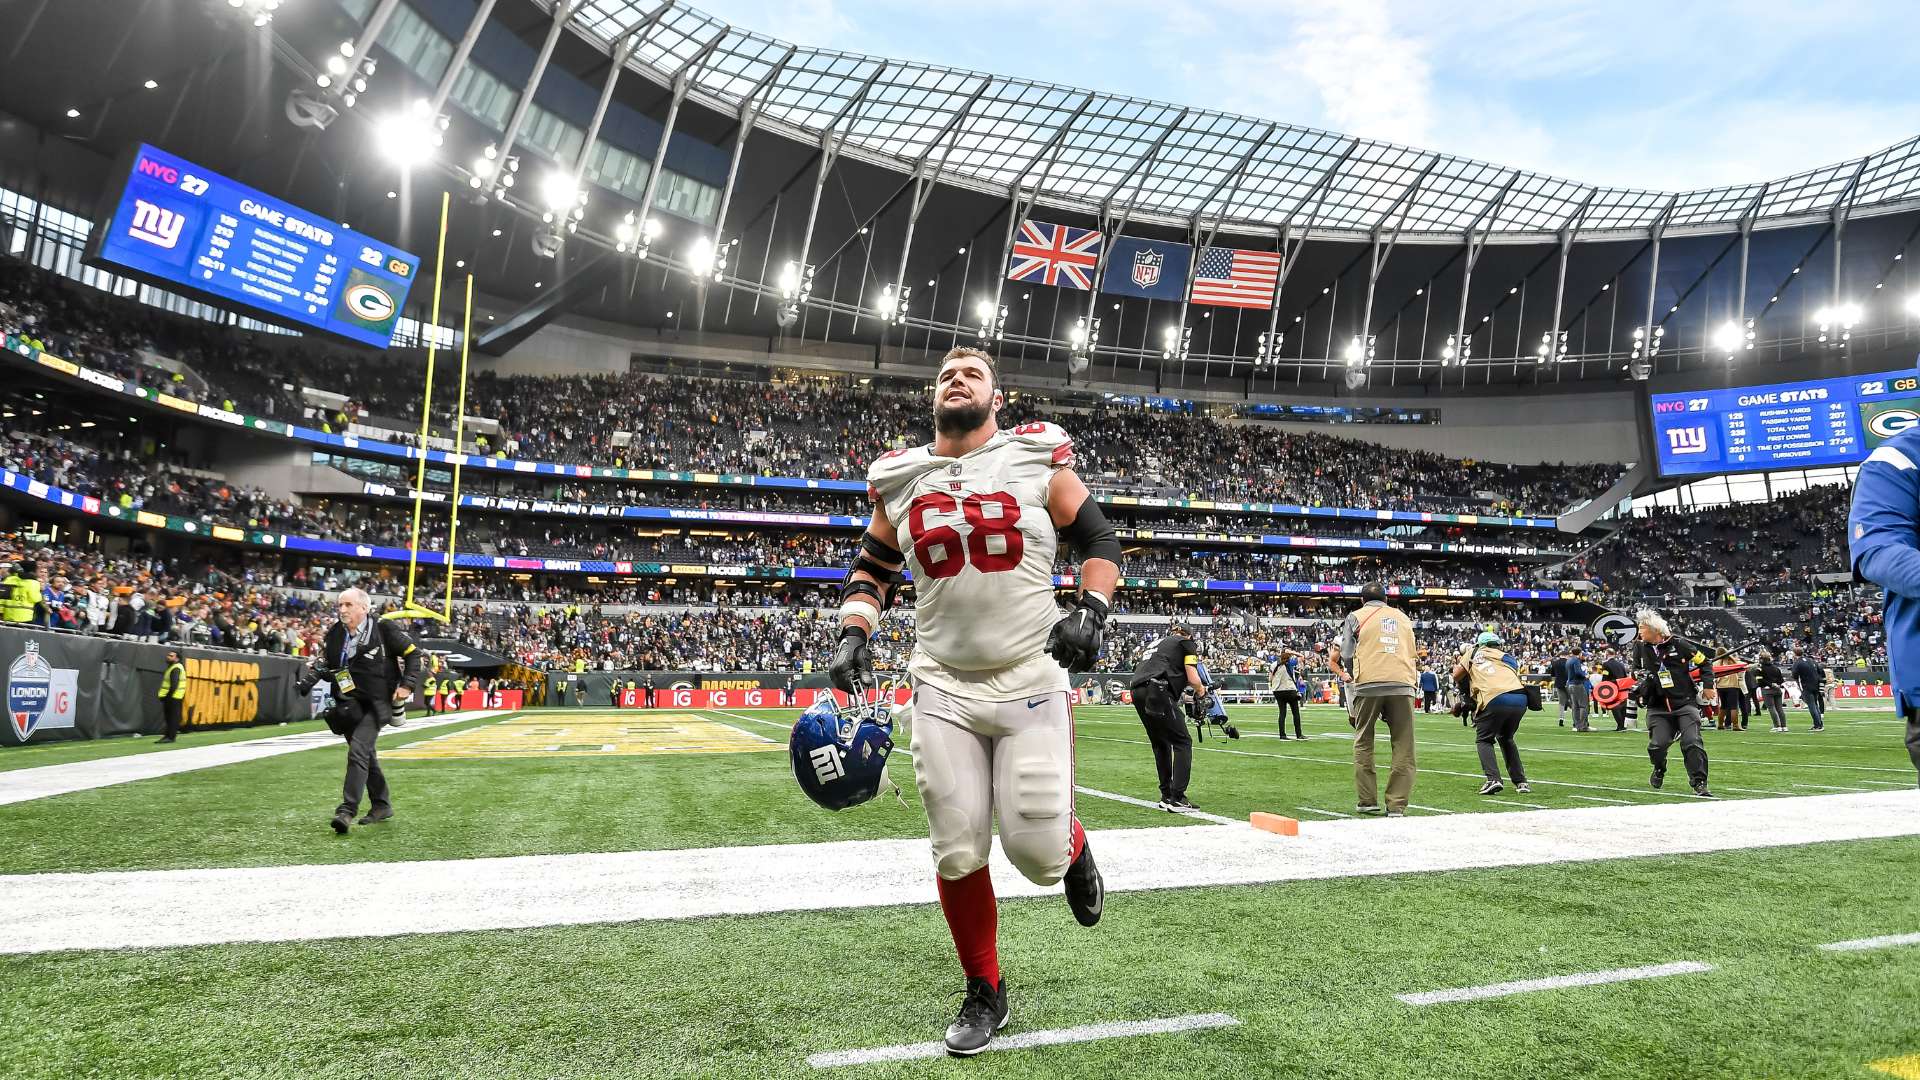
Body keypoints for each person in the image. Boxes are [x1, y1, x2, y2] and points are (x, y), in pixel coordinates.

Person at [826, 347, 1123, 1056]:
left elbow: (1098, 537)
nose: (957, 380)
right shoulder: (901, 476)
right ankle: (985, 987)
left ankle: (1073, 847)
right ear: (934, 396)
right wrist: (854, 630)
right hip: (943, 681)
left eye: (973, 374)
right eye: (946, 375)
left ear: (998, 397)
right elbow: (873, 567)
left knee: (1037, 856)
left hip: (1030, 674)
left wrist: (1092, 609)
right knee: (957, 847)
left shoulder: (1034, 456)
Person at [310, 588, 423, 834]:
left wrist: (407, 684)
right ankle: (382, 805)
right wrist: (320, 670)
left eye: (348, 605)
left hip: (378, 702)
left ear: (364, 607)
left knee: (358, 751)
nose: (342, 610)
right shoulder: (336, 633)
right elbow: (332, 667)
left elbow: (414, 654)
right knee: (365, 755)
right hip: (349, 703)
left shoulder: (383, 628)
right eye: (340, 605)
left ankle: (346, 811)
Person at [1329, 583, 1418, 817]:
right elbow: (1411, 650)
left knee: (1364, 740)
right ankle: (1397, 804)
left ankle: (1367, 800)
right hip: (1402, 682)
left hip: (1368, 683)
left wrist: (1354, 674)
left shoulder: (1355, 617)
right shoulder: (1403, 618)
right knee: (1404, 744)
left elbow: (1346, 653)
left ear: (1362, 600)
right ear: (1386, 600)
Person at [1631, 609, 1714, 798]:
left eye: (1642, 628)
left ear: (1655, 630)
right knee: (1657, 746)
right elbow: (1634, 671)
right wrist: (1641, 676)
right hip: (1657, 705)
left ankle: (1700, 783)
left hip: (1685, 703)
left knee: (1692, 742)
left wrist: (1708, 686)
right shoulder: (1639, 646)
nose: (1639, 631)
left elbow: (1705, 663)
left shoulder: (1680, 644)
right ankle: (1659, 768)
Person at [1131, 624, 1206, 808]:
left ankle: (1166, 795)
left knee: (1161, 743)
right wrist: (1201, 690)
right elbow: (1192, 676)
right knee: (1182, 741)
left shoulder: (1158, 643)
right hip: (1157, 689)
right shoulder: (1185, 643)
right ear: (1189, 636)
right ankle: (1177, 798)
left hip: (1137, 690)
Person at [1454, 631, 1530, 795]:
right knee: (1506, 738)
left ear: (1480, 644)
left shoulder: (1473, 652)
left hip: (1494, 696)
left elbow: (1457, 675)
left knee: (1484, 739)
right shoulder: (1507, 656)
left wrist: (1461, 662)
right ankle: (1521, 781)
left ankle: (1493, 779)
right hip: (1520, 697)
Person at [1270, 649, 1304, 739]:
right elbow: (1302, 657)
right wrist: (1292, 652)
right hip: (1289, 689)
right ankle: (1299, 734)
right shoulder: (1290, 662)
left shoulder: (1274, 664)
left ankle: (1282, 734)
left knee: (1282, 713)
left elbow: (1270, 678)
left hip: (1277, 690)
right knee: (1295, 712)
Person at [1791, 650, 1827, 731]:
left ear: (1795, 654)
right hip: (1815, 685)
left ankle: (1817, 725)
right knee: (1815, 705)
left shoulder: (1797, 663)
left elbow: (1794, 675)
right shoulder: (1811, 660)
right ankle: (1819, 724)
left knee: (1811, 706)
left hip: (1806, 686)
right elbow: (1820, 671)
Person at [157, 648, 187, 743]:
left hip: (173, 697)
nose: (168, 657)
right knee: (169, 718)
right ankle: (167, 736)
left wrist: (167, 696)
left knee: (172, 718)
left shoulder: (176, 668)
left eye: (171, 656)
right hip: (172, 696)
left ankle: (170, 737)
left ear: (177, 658)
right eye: (168, 655)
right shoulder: (172, 667)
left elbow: (174, 685)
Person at [1, 559, 43, 624]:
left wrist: (1, 612)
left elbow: (2, 598)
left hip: (8, 616)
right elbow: (35, 599)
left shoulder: (9, 579)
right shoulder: (33, 582)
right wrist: (40, 592)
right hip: (25, 617)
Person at [1756, 651, 1789, 732]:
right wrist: (1777, 684)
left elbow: (1760, 680)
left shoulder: (1760, 669)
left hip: (1767, 690)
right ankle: (1784, 726)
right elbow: (1781, 680)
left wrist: (1770, 684)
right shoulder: (1776, 668)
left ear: (1761, 659)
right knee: (1779, 708)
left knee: (1771, 708)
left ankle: (1777, 726)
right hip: (1777, 689)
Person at [1715, 654, 1748, 731]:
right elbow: (1744, 666)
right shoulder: (1736, 663)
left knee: (1723, 706)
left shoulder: (1718, 662)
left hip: (1720, 686)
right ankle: (1735, 725)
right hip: (1732, 686)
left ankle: (1720, 724)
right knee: (1733, 707)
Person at [1601, 649, 1632, 730]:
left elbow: (1605, 677)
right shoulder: (1621, 664)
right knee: (1623, 707)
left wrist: (1602, 687)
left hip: (1612, 688)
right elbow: (1625, 676)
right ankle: (1622, 725)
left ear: (1607, 654)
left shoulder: (1606, 664)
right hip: (1622, 687)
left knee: (1614, 706)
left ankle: (1620, 725)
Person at [1566, 647, 1592, 732]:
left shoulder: (1569, 660)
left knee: (1575, 706)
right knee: (1583, 706)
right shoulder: (1576, 660)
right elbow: (1577, 672)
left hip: (1570, 684)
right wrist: (1585, 676)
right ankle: (1583, 726)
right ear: (1580, 653)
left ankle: (1577, 726)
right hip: (1577, 684)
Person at [1548, 651, 1570, 727]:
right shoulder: (1569, 662)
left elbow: (1552, 675)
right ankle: (1575, 720)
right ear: (1566, 655)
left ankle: (1561, 719)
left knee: (1561, 702)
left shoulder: (1555, 663)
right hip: (1568, 683)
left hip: (1559, 684)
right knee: (1573, 701)